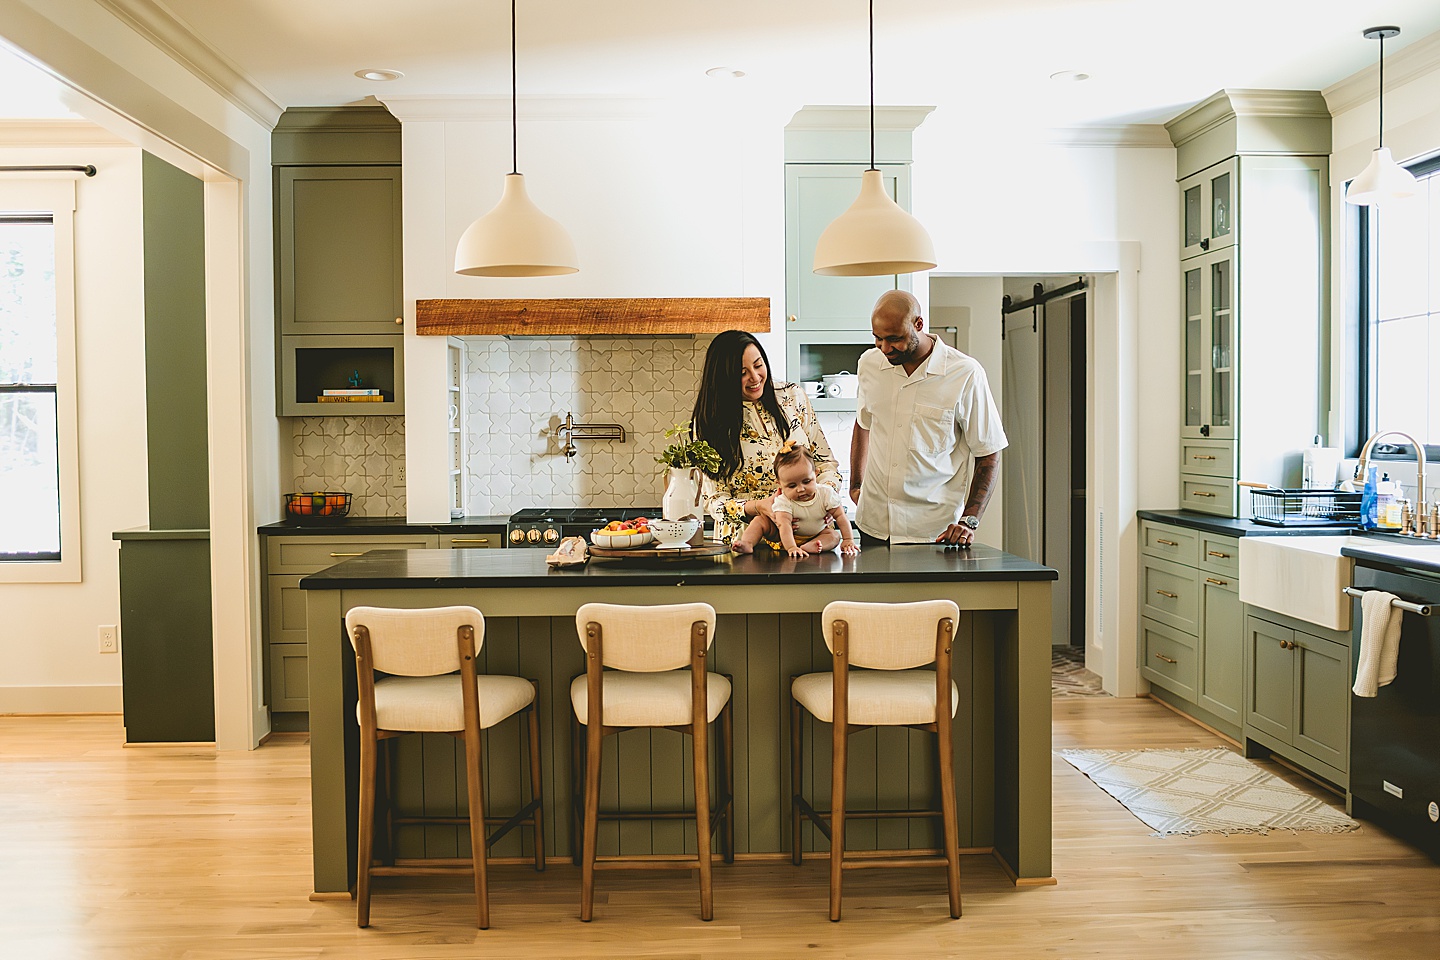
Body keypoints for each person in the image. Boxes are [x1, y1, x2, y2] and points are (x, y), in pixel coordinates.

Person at [850, 290, 1007, 546]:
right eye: (878, 338)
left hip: (934, 532)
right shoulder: (869, 364)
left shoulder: (965, 373)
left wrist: (969, 520)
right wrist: (856, 485)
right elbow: (863, 422)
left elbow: (989, 451)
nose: (885, 348)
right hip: (874, 526)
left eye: (894, 339)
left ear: (918, 324)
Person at [691, 330, 842, 535]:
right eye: (741, 372)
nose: (755, 377)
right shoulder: (707, 422)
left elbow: (826, 464)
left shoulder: (793, 396)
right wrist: (757, 506)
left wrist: (827, 497)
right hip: (745, 542)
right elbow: (713, 499)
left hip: (809, 537)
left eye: (758, 365)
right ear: (723, 377)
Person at [732, 440, 860, 558]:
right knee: (759, 521)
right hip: (781, 537)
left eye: (806, 481)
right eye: (792, 486)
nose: (800, 489)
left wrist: (848, 539)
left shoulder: (826, 493)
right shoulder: (783, 500)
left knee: (833, 536)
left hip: (816, 534)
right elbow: (784, 526)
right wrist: (791, 547)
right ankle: (747, 543)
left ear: (816, 474)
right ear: (780, 484)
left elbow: (841, 516)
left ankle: (812, 546)